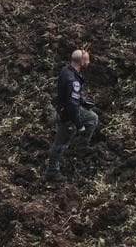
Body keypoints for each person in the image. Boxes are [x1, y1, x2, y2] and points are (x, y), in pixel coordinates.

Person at [45, 48, 99, 181]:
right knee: (60, 144)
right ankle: (52, 171)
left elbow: (70, 97)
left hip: (66, 108)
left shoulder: (67, 70)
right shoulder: (72, 81)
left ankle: (81, 147)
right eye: (87, 60)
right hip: (67, 115)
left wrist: (82, 101)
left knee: (92, 118)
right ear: (81, 62)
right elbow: (72, 106)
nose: (89, 62)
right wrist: (79, 125)